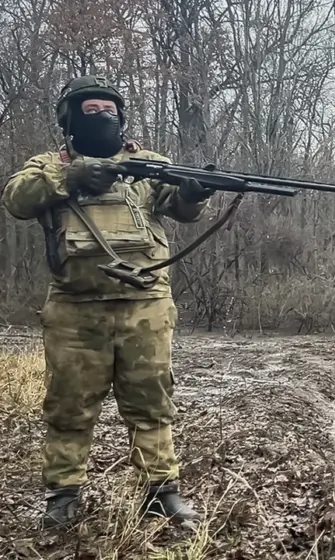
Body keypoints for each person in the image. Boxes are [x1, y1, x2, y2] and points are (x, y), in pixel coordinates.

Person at [0, 75, 214, 529]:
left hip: (146, 305)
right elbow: (17, 199)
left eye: (109, 111)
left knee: (152, 402)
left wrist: (196, 191)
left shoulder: (148, 164)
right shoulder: (47, 165)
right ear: (69, 120)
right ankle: (62, 497)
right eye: (90, 111)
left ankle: (161, 493)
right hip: (75, 309)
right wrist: (70, 176)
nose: (101, 119)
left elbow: (181, 207)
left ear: (122, 118)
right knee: (68, 406)